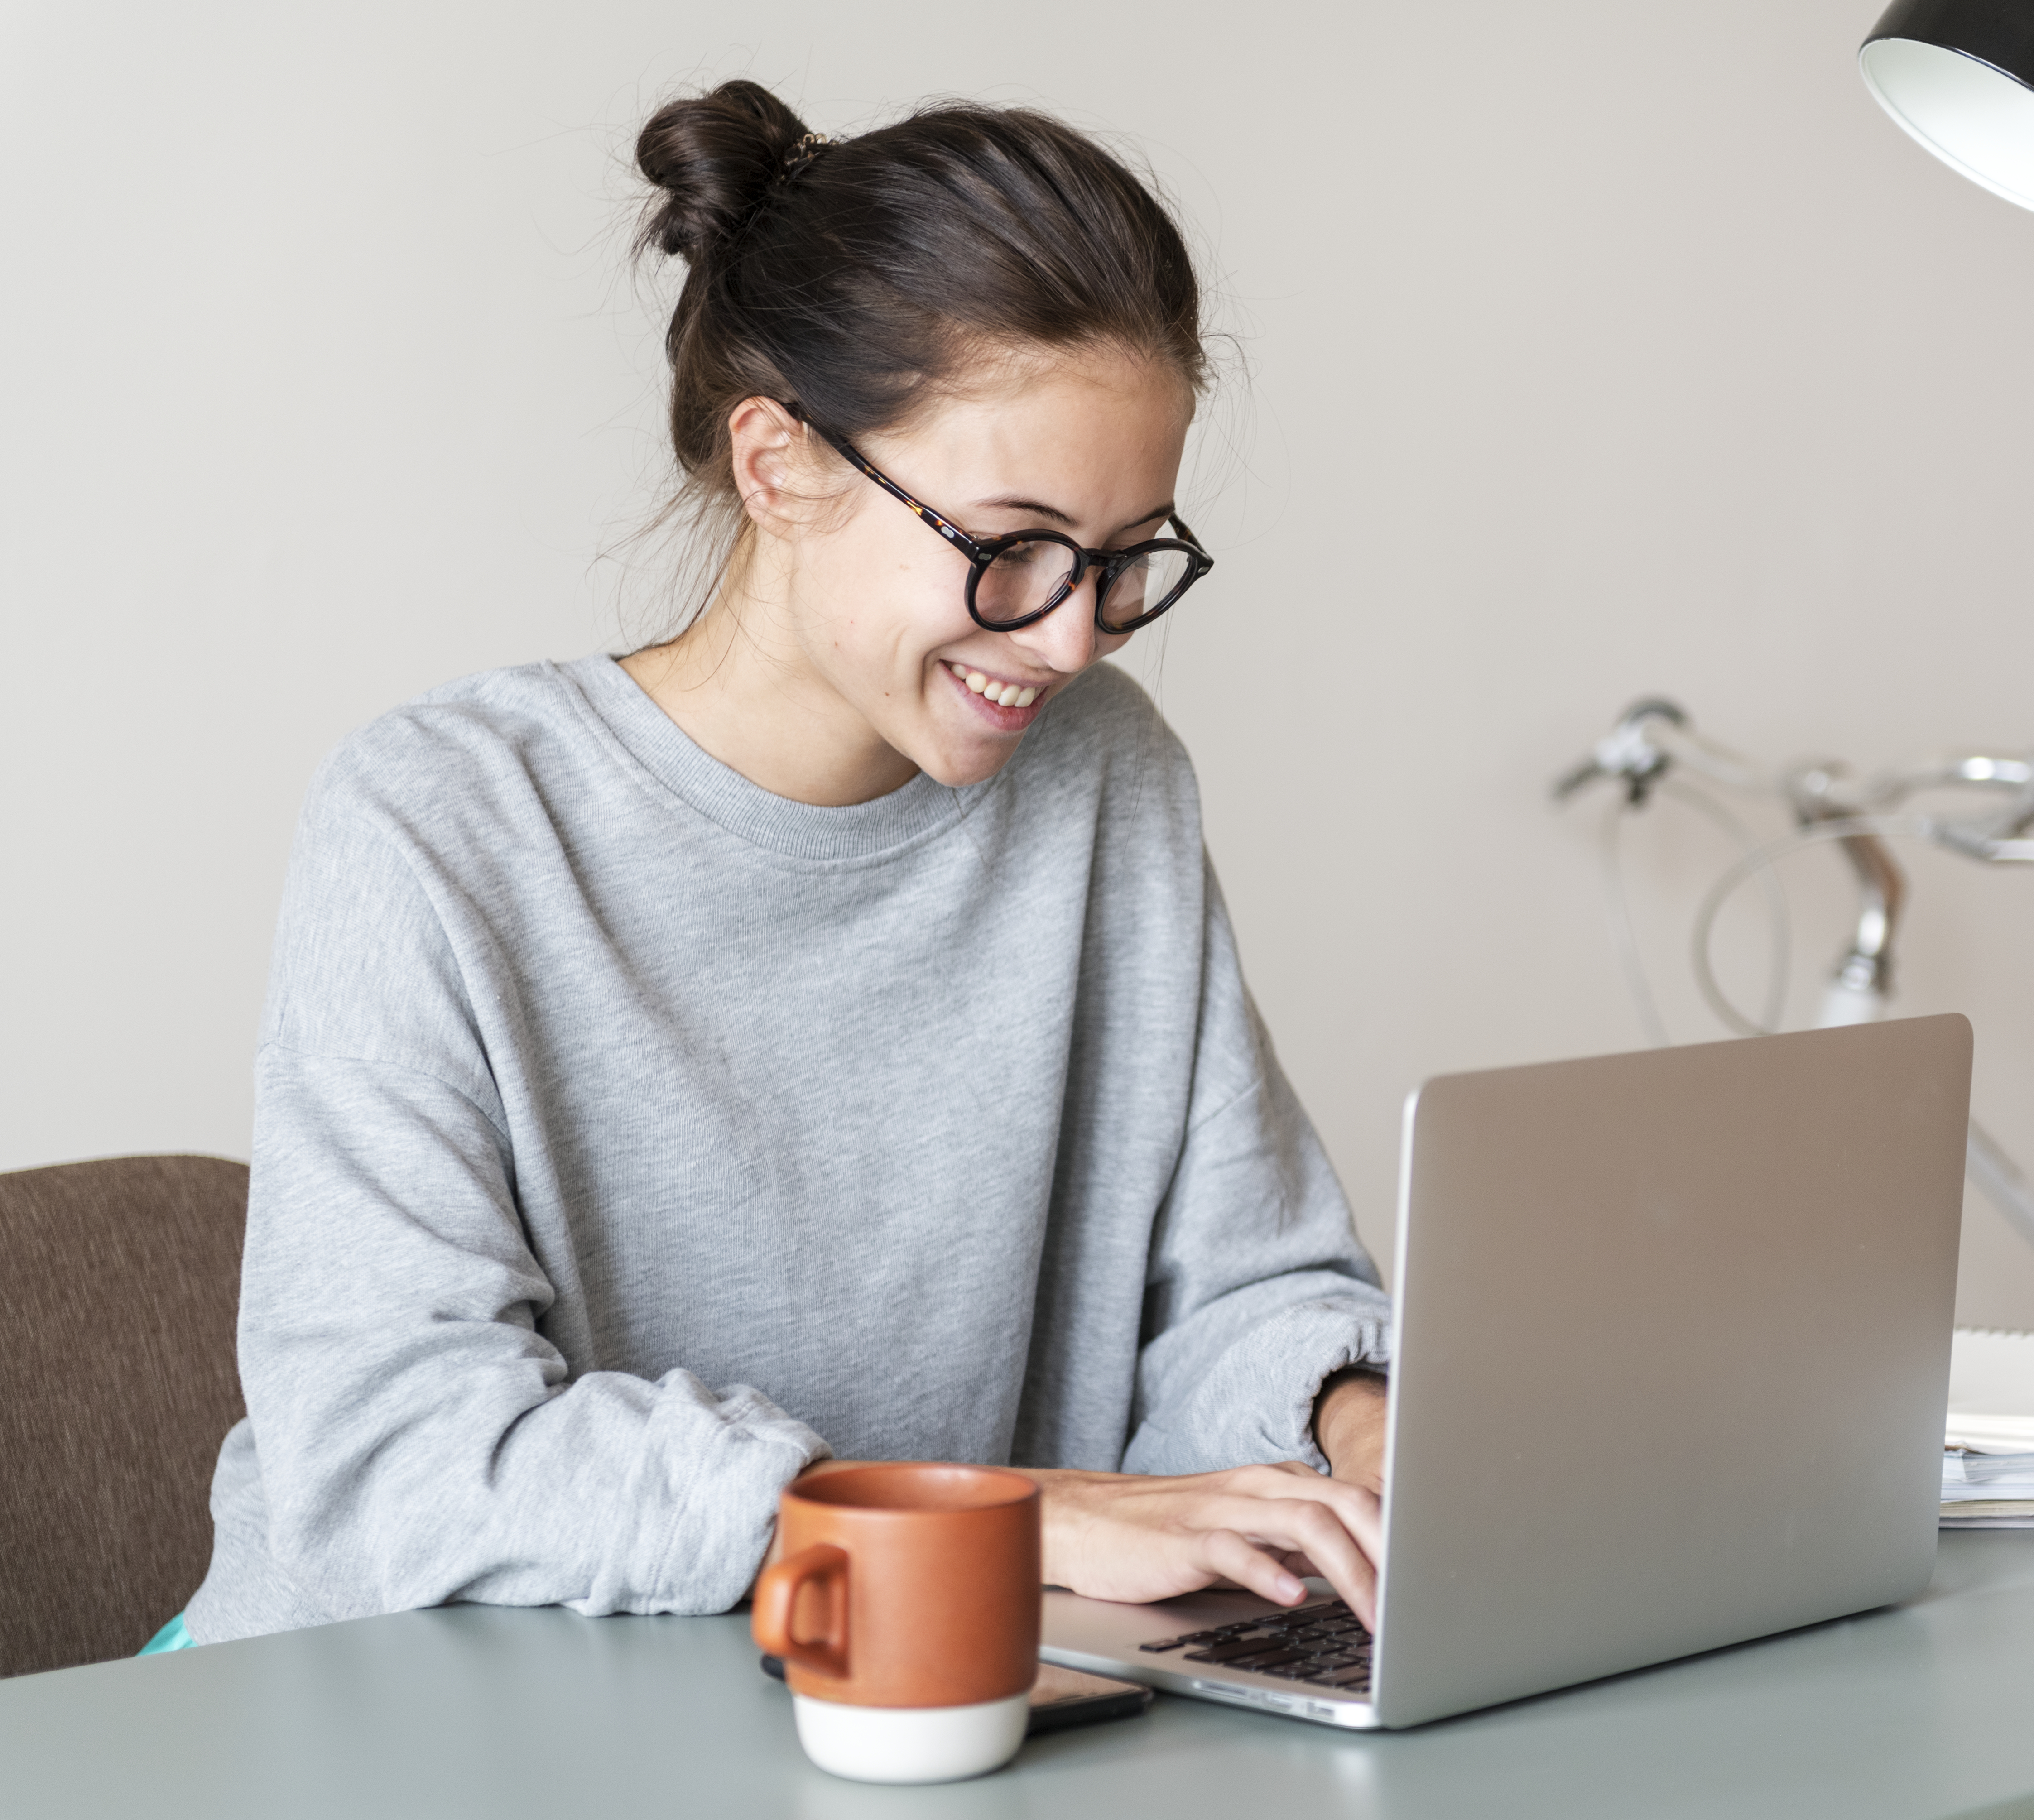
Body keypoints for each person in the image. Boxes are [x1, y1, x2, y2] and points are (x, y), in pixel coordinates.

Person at [174, 81, 1392, 1651]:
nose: (1073, 632)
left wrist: (1355, 1428)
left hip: (864, 1694)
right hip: (383, 1718)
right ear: (778, 464)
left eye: (1122, 559)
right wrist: (1004, 1522)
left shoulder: (1107, 781)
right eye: (1011, 543)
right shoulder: (439, 823)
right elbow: (398, 1462)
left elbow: (1237, 1292)